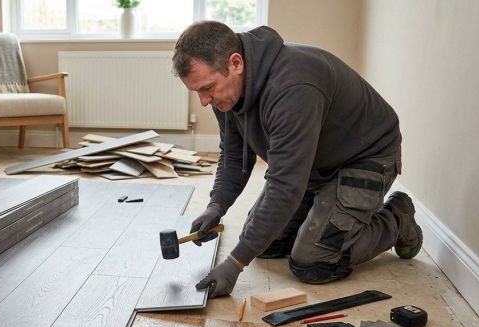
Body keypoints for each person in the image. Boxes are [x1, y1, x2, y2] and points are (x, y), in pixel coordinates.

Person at [172, 21, 423, 298]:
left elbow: (285, 186)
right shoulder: (227, 95)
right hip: (313, 162)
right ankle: (326, 214)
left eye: (207, 88)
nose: (204, 101)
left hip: (365, 156)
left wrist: (235, 263)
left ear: (236, 63)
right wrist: (215, 206)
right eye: (197, 92)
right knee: (265, 245)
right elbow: (234, 155)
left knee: (313, 260)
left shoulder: (292, 87)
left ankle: (397, 219)